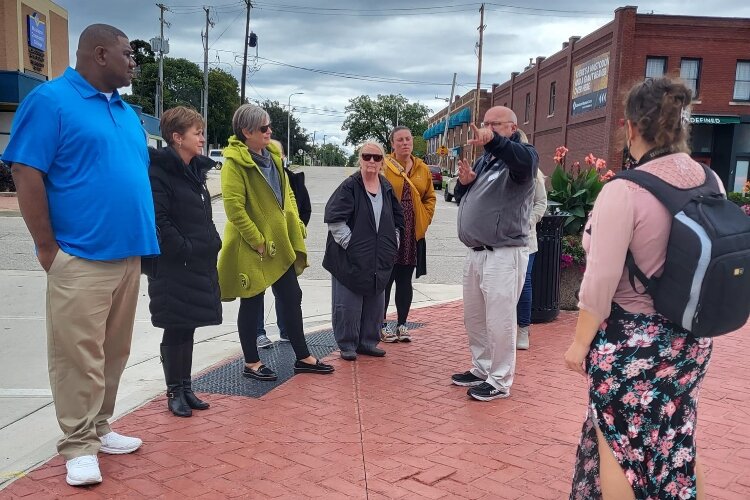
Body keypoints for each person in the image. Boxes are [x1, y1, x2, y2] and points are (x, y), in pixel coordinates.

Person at [2, 24, 159, 486]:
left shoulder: (127, 112)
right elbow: (25, 171)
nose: (134, 62)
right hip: (80, 256)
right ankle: (77, 444)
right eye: (128, 54)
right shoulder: (51, 101)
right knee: (77, 356)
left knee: (113, 351)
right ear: (100, 53)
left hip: (127, 254)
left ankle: (99, 426)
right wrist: (48, 248)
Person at [564, 77, 718, 498]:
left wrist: (579, 345)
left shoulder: (624, 190)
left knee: (618, 447)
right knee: (678, 440)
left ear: (631, 127)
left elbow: (599, 280)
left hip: (633, 342)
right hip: (690, 340)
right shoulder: (710, 180)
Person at [218, 104, 334, 380]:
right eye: (264, 128)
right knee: (252, 302)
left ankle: (303, 357)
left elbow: (287, 194)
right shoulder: (234, 163)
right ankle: (252, 363)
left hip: (280, 244)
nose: (270, 131)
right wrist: (257, 240)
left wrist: (294, 224)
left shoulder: (272, 155)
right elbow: (234, 209)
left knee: (291, 296)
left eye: (269, 126)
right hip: (253, 247)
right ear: (247, 132)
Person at [450, 106, 538, 402]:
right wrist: (464, 185)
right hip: (476, 252)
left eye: (494, 124)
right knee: (474, 317)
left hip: (503, 252)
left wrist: (493, 141)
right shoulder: (487, 160)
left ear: (512, 128)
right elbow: (466, 199)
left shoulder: (523, 157)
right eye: (485, 123)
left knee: (499, 320)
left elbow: (521, 160)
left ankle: (500, 380)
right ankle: (482, 367)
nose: (486, 128)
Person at [146, 106, 222, 418]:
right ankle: (174, 391)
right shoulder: (160, 172)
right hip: (174, 265)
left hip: (196, 263)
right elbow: (160, 219)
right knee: (175, 326)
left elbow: (203, 215)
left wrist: (212, 241)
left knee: (188, 326)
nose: (202, 139)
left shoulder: (195, 172)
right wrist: (186, 248)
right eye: (197, 133)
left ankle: (186, 386)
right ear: (177, 138)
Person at [323, 141, 404, 360]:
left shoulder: (386, 188)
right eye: (367, 156)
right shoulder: (350, 186)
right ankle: (347, 344)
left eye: (377, 158)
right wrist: (352, 245)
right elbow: (335, 219)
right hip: (349, 260)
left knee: (374, 305)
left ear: (382, 162)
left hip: (378, 260)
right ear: (359, 159)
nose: (371, 161)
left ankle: (368, 342)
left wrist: (392, 244)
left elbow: (398, 220)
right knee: (347, 305)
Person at [381, 126, 436, 342]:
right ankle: (381, 324)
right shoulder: (384, 166)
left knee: (405, 280)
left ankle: (402, 324)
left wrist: (424, 219)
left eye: (408, 139)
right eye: (400, 140)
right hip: (389, 232)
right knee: (386, 280)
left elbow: (430, 197)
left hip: (412, 233)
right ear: (392, 144)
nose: (405, 143)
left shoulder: (422, 168)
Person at [256, 139, 311, 348]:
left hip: (285, 244)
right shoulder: (256, 178)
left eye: (278, 154)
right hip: (261, 244)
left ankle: (287, 331)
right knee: (257, 291)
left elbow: (303, 209)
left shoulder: (292, 180)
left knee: (288, 292)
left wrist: (295, 231)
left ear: (284, 157)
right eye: (269, 152)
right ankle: (258, 333)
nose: (274, 157)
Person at [514, 129, 547, 350]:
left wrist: (528, 221)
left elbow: (541, 203)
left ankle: (523, 328)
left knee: (524, 283)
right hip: (501, 239)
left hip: (526, 239)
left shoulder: (535, 175)